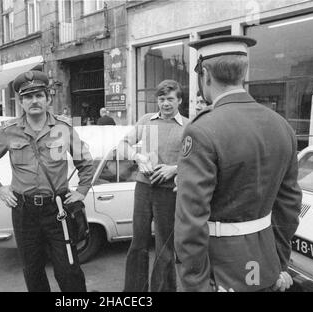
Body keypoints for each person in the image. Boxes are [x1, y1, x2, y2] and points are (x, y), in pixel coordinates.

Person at [174, 35, 302, 292]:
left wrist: (196, 286)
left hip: (221, 272)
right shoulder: (282, 126)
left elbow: (190, 222)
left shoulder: (202, 130)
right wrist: (279, 263)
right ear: (243, 73)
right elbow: (288, 207)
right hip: (264, 266)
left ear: (206, 74)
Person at [0, 70, 95, 292]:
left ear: (48, 99)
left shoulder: (63, 128)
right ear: (21, 102)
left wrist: (82, 190)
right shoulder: (9, 131)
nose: (34, 101)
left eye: (39, 95)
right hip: (24, 211)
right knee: (32, 270)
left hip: (58, 208)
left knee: (69, 269)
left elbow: (86, 163)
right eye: (28, 97)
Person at [120, 80, 188, 292]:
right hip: (143, 187)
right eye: (161, 99)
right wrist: (138, 156)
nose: (165, 104)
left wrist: (174, 168)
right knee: (138, 243)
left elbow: (197, 159)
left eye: (170, 99)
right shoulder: (146, 120)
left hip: (169, 192)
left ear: (179, 100)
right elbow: (122, 145)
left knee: (165, 248)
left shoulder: (189, 126)